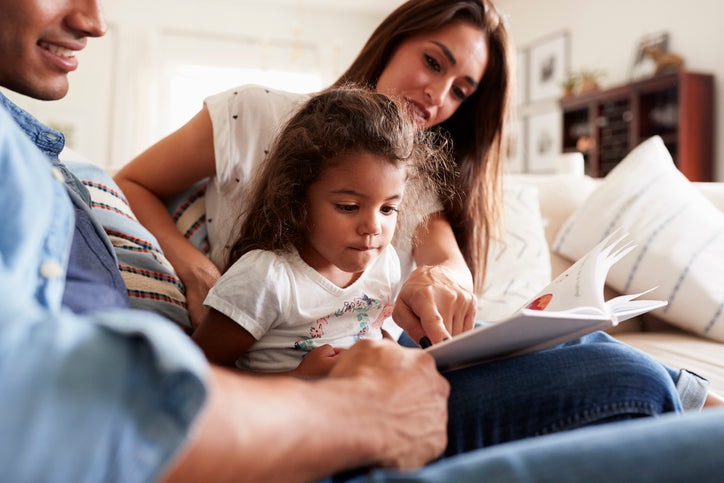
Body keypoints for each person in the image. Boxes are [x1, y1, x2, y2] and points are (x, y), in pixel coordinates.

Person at [2, 0, 723, 482]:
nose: (441, 95)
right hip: (281, 375)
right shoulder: (256, 127)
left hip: (374, 367)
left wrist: (441, 278)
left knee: (605, 361)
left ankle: (682, 392)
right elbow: (134, 198)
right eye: (434, 61)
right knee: (626, 383)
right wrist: (194, 272)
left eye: (464, 88)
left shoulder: (414, 183)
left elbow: (435, 248)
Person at [193, 86, 450, 375]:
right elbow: (196, 375)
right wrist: (298, 380)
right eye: (349, 206)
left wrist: (391, 352)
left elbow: (372, 333)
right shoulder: (267, 280)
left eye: (388, 209)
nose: (373, 227)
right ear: (298, 198)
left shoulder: (385, 264)